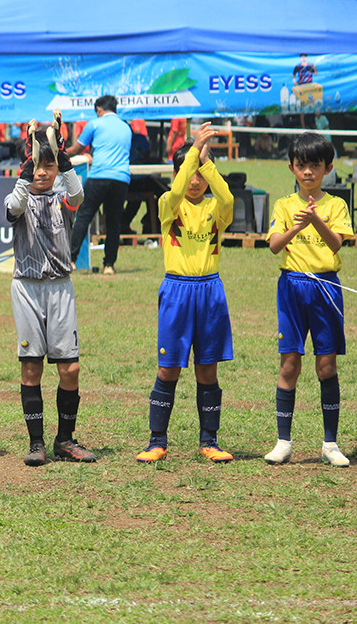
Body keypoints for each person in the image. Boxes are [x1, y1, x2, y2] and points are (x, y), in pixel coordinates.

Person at [134, 124, 236, 464]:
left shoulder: (215, 208)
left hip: (210, 292)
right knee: (169, 368)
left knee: (207, 371)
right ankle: (156, 441)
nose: (195, 180)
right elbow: (176, 192)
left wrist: (206, 162)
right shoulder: (169, 203)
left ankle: (209, 441)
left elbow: (228, 197)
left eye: (200, 175)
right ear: (179, 173)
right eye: (188, 173)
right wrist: (194, 151)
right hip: (177, 292)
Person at [5, 123, 97, 466]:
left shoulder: (63, 199)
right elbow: (14, 207)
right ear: (25, 168)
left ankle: (66, 439)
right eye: (36, 166)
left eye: (49, 166)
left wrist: (63, 157)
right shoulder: (18, 196)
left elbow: (78, 196)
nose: (43, 173)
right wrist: (27, 173)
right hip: (27, 288)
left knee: (69, 369)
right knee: (31, 369)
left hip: (60, 288)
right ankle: (36, 443)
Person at [263, 132, 353, 468]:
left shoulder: (336, 205)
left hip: (326, 288)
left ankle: (330, 443)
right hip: (292, 287)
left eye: (315, 166)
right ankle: (283, 442)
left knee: (326, 365)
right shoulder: (284, 205)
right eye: (301, 166)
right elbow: (273, 246)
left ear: (327, 168)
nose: (308, 172)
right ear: (291, 168)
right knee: (289, 364)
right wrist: (296, 229)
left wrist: (316, 220)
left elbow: (337, 244)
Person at [65, 95, 132, 274]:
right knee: (114, 223)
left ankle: (70, 260)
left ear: (99, 110)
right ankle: (109, 265)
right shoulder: (127, 127)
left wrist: (61, 153)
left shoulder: (95, 123)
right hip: (121, 178)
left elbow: (77, 149)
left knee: (84, 217)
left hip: (99, 176)